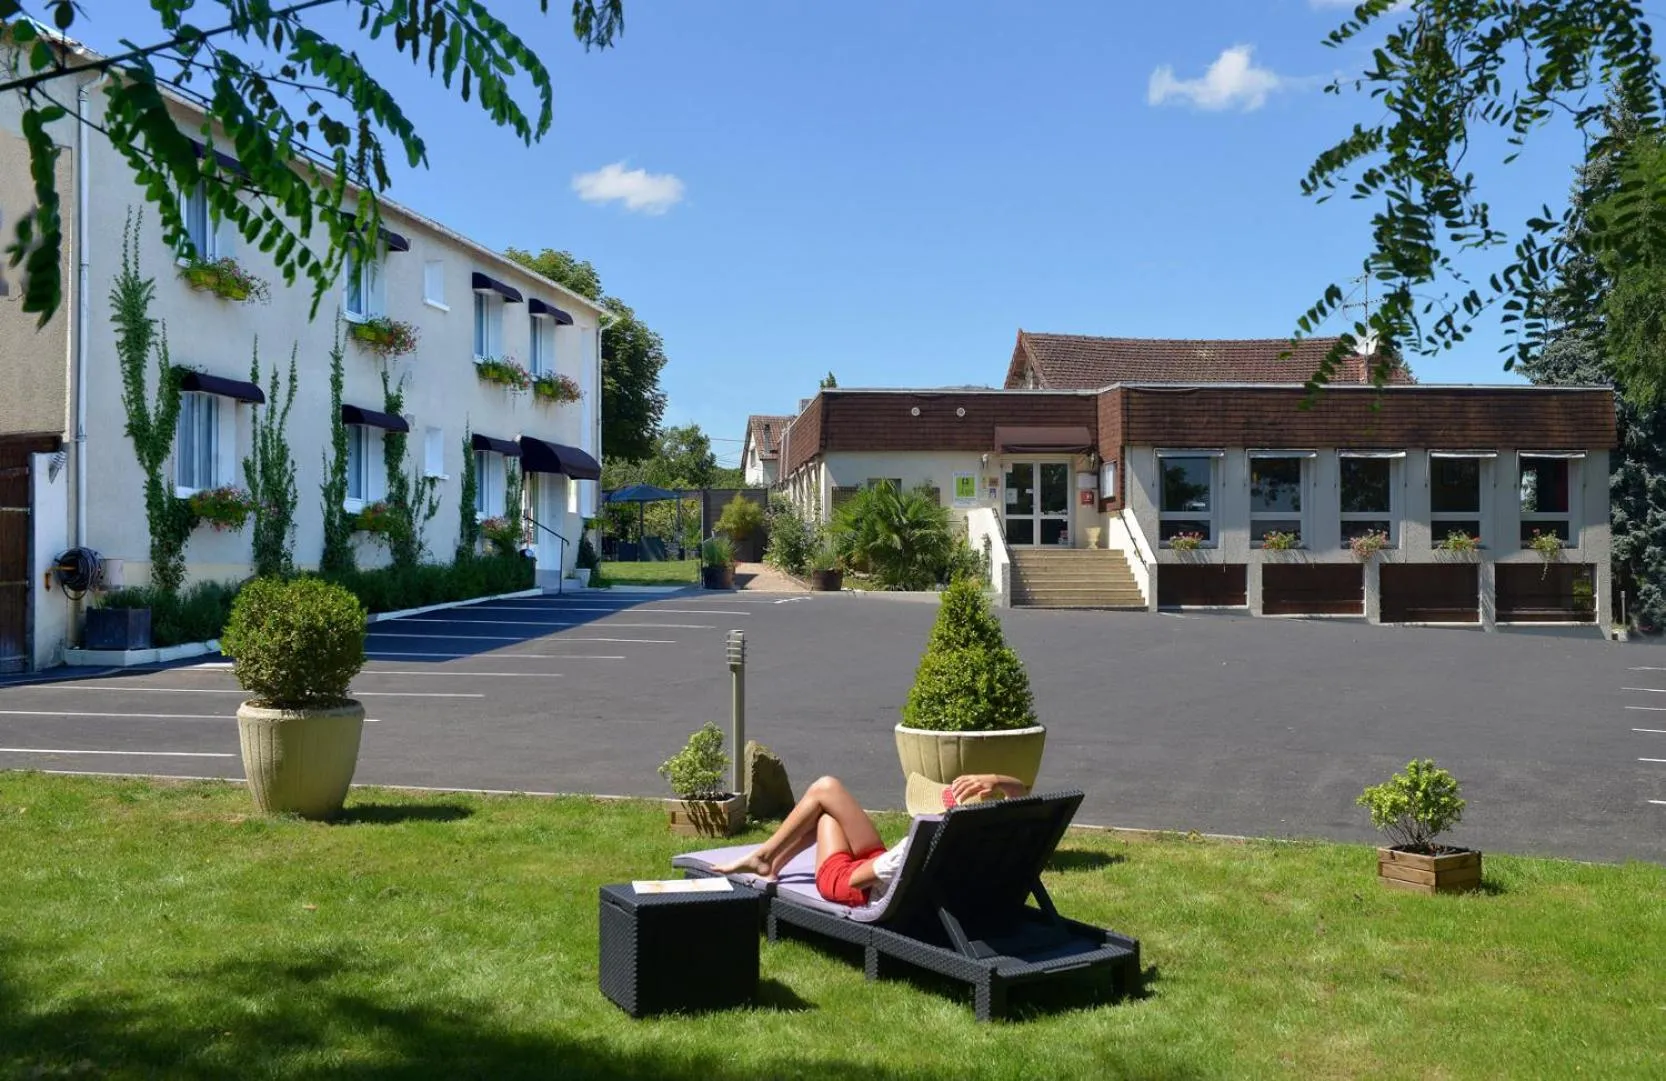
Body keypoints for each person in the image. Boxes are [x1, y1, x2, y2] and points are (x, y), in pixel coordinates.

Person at [714, 773, 1030, 907]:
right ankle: (769, 859)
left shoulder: (912, 849)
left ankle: (767, 858)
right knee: (825, 797)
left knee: (824, 806)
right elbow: (1023, 792)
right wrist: (997, 780)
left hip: (848, 882)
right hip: (890, 871)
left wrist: (877, 859)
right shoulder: (989, 837)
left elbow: (856, 880)